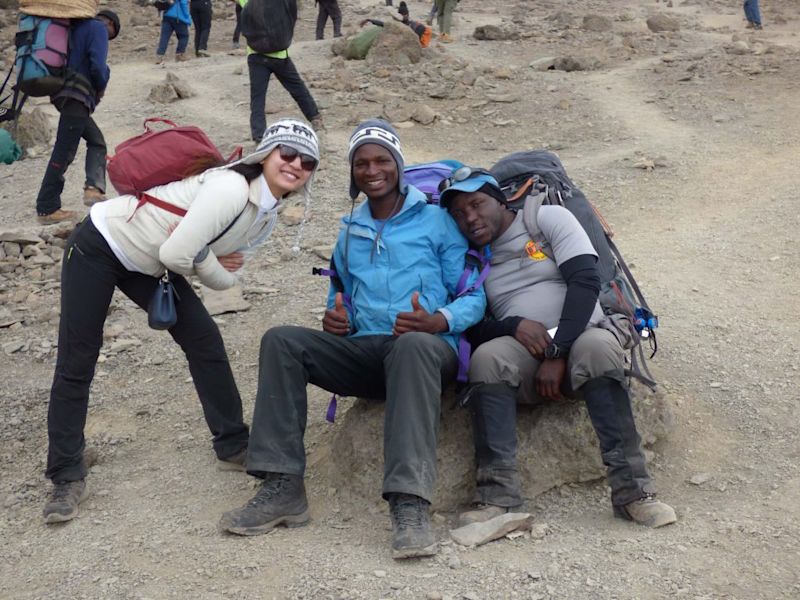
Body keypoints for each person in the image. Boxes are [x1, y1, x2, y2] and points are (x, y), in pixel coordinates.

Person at [219, 119, 486, 559]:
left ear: (398, 165)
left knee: (413, 345)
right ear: (352, 171)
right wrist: (336, 319)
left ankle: (410, 504)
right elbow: (338, 291)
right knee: (281, 340)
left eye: (382, 160)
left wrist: (438, 321)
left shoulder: (438, 221)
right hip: (366, 351)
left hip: (425, 351)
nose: (372, 169)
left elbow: (475, 294)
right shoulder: (351, 228)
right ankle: (282, 486)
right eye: (361, 162)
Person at [41, 119, 320, 524]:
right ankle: (66, 473)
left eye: (307, 160)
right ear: (267, 154)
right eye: (287, 153)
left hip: (148, 262)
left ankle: (233, 445)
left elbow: (206, 261)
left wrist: (201, 257)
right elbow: (180, 256)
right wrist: (211, 265)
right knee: (77, 359)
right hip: (101, 244)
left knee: (204, 341)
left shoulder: (265, 212)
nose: (295, 164)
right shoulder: (230, 189)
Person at [439, 168, 677, 529]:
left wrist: (558, 352)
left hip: (582, 337)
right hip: (525, 356)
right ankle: (498, 497)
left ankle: (633, 492)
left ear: (499, 200)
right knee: (488, 359)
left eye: (476, 204)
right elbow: (471, 324)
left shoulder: (546, 218)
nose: (469, 217)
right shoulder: (469, 256)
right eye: (458, 213)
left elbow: (584, 282)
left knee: (597, 348)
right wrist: (512, 325)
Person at [34, 9, 120, 226]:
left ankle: (93, 189)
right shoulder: (98, 27)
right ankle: (47, 207)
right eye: (112, 34)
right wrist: (102, 84)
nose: (108, 38)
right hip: (77, 95)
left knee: (96, 141)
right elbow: (97, 65)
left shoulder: (74, 28)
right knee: (64, 151)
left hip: (64, 94)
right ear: (109, 22)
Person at [238, 0, 323, 142]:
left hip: (256, 55)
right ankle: (315, 118)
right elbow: (292, 15)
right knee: (298, 88)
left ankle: (259, 135)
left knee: (257, 98)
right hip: (280, 55)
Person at [360, 2, 433, 48]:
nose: (404, 16)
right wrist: (370, 20)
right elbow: (383, 24)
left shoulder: (414, 25)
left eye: (405, 15)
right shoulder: (397, 24)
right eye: (402, 15)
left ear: (407, 15)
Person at [155, 0, 191, 64]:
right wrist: (188, 18)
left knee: (164, 37)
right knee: (184, 36)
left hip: (166, 16)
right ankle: (179, 55)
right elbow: (183, 4)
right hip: (178, 17)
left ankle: (159, 56)